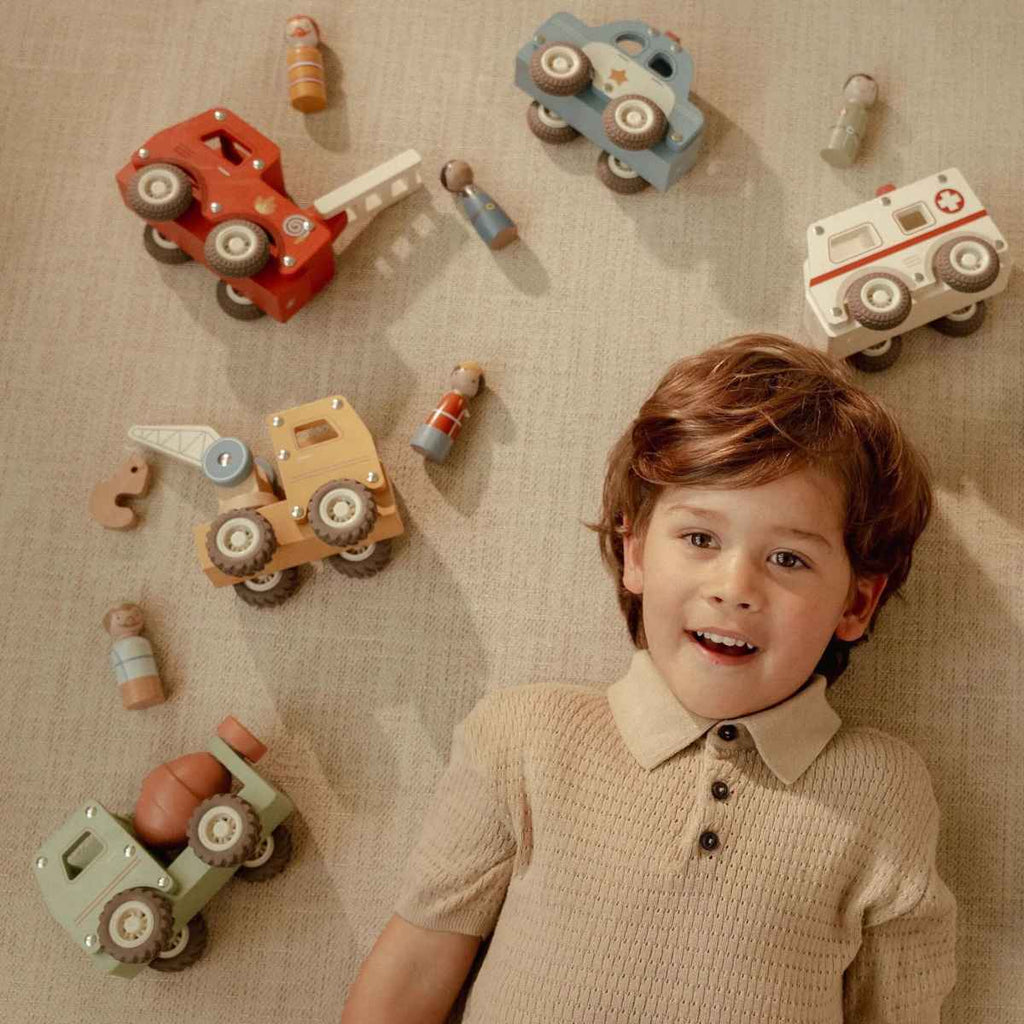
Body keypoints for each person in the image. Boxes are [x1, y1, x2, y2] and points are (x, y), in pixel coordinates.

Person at [340, 334, 957, 1023]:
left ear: (855, 604)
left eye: (788, 559)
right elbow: (416, 965)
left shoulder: (882, 789)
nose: (735, 587)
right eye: (700, 539)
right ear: (634, 552)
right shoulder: (526, 738)